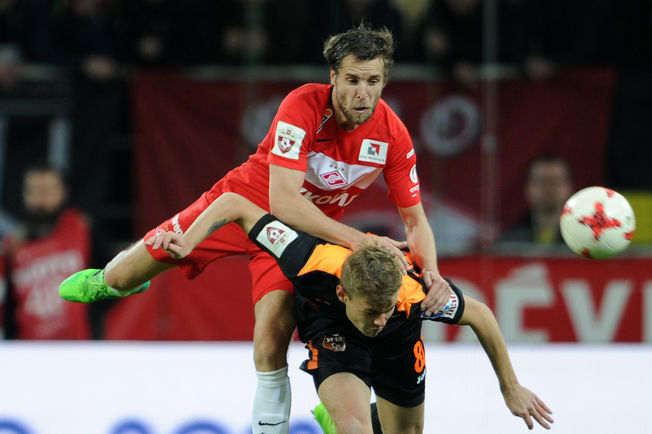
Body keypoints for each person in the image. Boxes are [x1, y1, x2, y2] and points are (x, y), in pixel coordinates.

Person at [58, 24, 450, 434]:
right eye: (352, 80)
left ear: (384, 81)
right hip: (235, 207)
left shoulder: (392, 135)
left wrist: (433, 273)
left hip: (295, 234)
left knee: (270, 341)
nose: (362, 93)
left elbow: (414, 220)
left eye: (372, 82)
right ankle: (117, 280)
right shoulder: (303, 106)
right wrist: (363, 241)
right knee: (121, 277)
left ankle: (322, 412)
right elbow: (283, 202)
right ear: (333, 76)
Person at [146, 191, 554, 433]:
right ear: (343, 291)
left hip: (399, 344)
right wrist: (188, 239)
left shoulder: (412, 294)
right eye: (373, 310)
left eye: (385, 308)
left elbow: (480, 315)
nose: (379, 318)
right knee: (353, 429)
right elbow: (234, 203)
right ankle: (339, 413)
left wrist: (510, 387)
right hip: (332, 331)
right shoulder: (307, 259)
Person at [1, 163, 91, 340]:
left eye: (48, 191)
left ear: (63, 193)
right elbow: (8, 308)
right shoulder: (13, 246)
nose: (41, 200)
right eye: (34, 191)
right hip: (29, 350)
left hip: (81, 347)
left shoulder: (81, 228)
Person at [496, 155, 573, 247]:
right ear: (527, 187)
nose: (548, 188)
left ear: (569, 187)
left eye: (555, 182)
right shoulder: (508, 243)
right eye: (541, 181)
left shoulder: (582, 241)